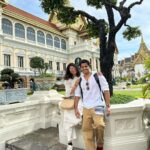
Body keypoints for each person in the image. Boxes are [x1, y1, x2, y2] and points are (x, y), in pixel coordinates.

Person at [74, 59, 111, 150]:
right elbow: (77, 95)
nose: (84, 68)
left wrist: (108, 106)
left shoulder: (98, 76)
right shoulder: (79, 80)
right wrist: (76, 109)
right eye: (82, 67)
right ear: (80, 68)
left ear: (89, 66)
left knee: (99, 125)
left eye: (86, 66)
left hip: (98, 105)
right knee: (86, 131)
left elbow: (106, 90)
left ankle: (100, 145)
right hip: (86, 108)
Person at [63, 63, 82, 150]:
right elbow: (68, 93)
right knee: (67, 121)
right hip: (71, 101)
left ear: (76, 68)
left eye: (73, 67)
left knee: (77, 118)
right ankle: (69, 142)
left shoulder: (82, 76)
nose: (72, 69)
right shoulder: (68, 79)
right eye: (70, 68)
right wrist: (75, 85)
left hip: (81, 101)